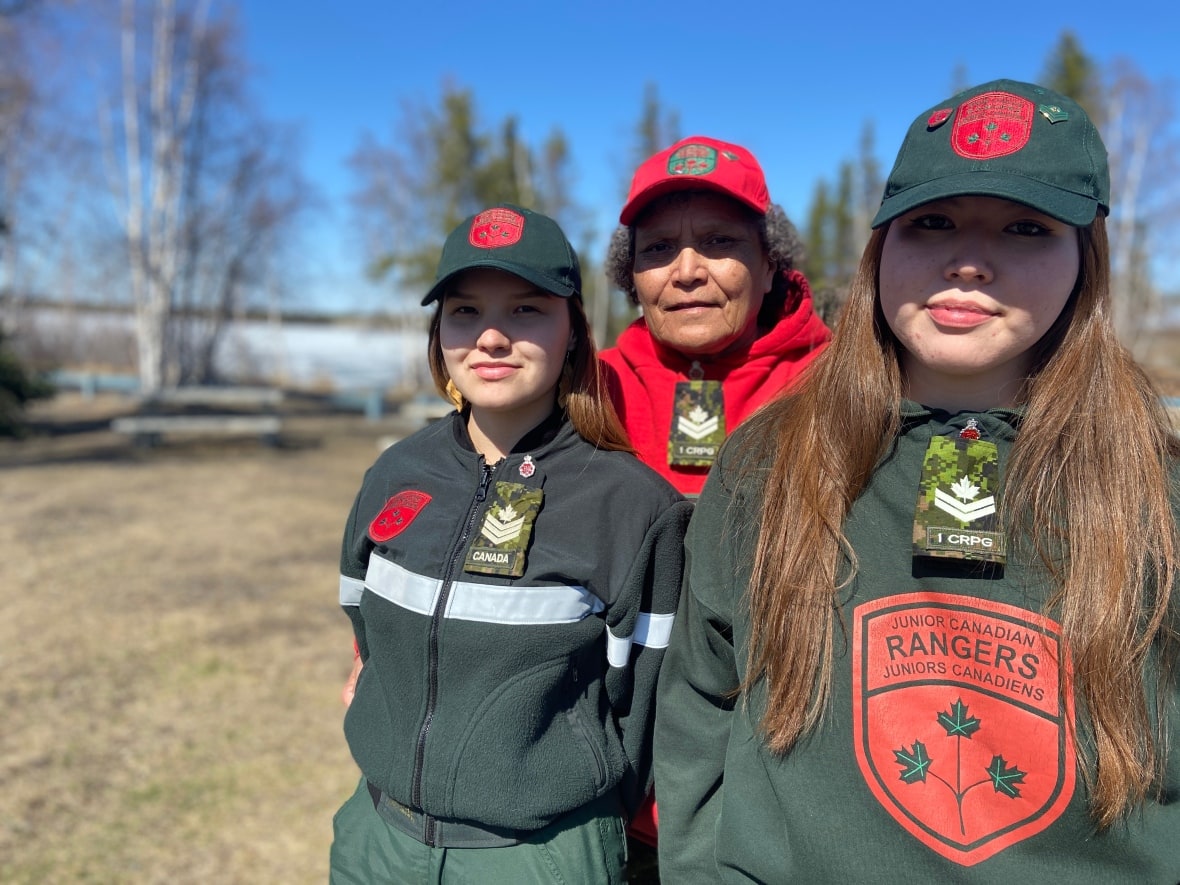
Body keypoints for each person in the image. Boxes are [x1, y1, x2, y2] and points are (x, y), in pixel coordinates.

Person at [655, 79, 1180, 883]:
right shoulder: (766, 461)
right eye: (931, 222)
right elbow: (699, 704)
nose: (969, 258)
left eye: (1026, 227)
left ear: (1086, 258)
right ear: (880, 251)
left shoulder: (1159, 486)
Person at [330, 203, 692, 883]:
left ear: (574, 333)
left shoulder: (634, 506)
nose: (490, 336)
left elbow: (644, 709)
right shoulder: (394, 472)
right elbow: (364, 623)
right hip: (377, 840)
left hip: (539, 858)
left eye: (526, 310)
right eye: (465, 312)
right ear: (439, 334)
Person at [601, 135, 831, 498]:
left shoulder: (838, 384)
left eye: (719, 241)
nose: (687, 271)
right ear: (631, 274)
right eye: (659, 247)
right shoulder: (589, 390)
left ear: (769, 264)